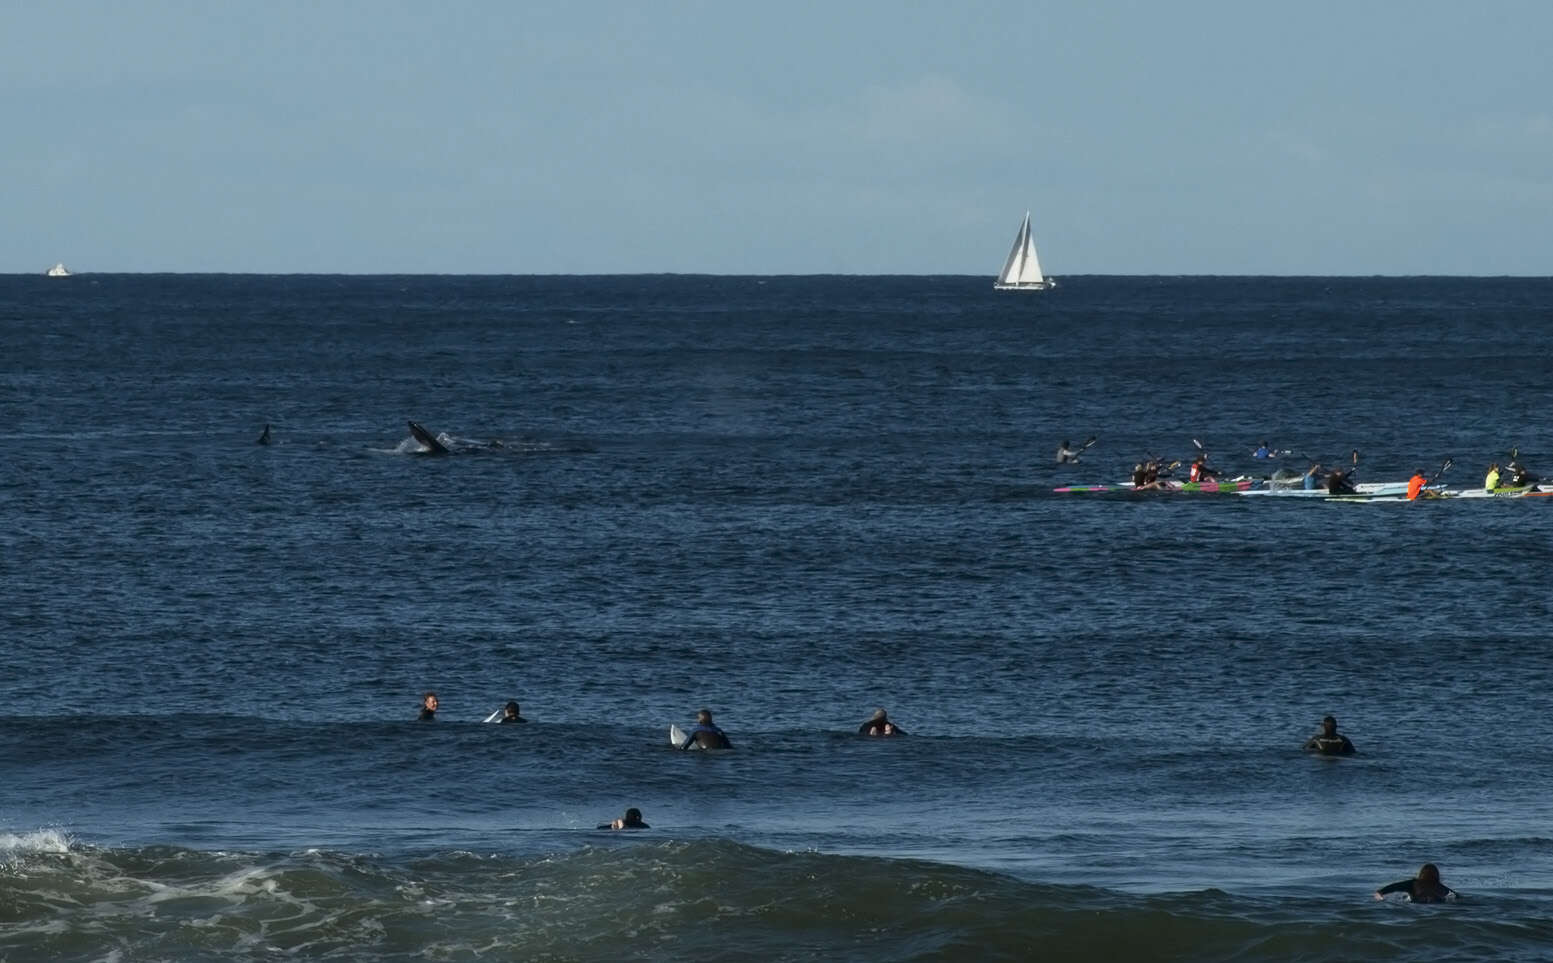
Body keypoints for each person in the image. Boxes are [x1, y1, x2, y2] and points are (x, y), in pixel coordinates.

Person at [1374, 863, 1458, 903]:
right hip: (1418, 907)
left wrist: (1380, 893)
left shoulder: (1440, 887)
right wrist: (1380, 892)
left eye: (1431, 873)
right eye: (1427, 873)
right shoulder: (1412, 883)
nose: (1429, 875)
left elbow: (1458, 897)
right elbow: (1394, 887)